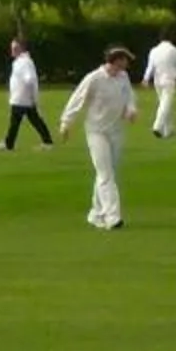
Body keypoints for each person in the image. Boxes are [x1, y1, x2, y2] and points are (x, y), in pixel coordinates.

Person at [59, 45, 140, 229]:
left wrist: (131, 110)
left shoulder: (123, 77)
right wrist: (66, 123)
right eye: (125, 59)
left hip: (116, 131)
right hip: (96, 132)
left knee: (108, 172)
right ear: (116, 60)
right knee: (105, 173)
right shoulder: (94, 78)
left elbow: (129, 97)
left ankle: (96, 213)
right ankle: (113, 217)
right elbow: (77, 99)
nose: (127, 63)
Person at [0, 36, 52, 150]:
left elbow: (30, 79)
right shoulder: (21, 62)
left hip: (22, 99)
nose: (12, 50)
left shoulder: (25, 62)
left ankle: (9, 144)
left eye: (15, 48)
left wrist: (30, 96)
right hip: (22, 99)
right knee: (33, 120)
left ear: (21, 48)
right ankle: (47, 142)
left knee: (17, 122)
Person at [142, 30, 176, 140]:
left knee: (165, 104)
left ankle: (168, 130)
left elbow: (150, 66)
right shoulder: (175, 51)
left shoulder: (154, 50)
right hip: (169, 79)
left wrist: (146, 79)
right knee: (165, 104)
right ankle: (157, 126)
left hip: (157, 80)